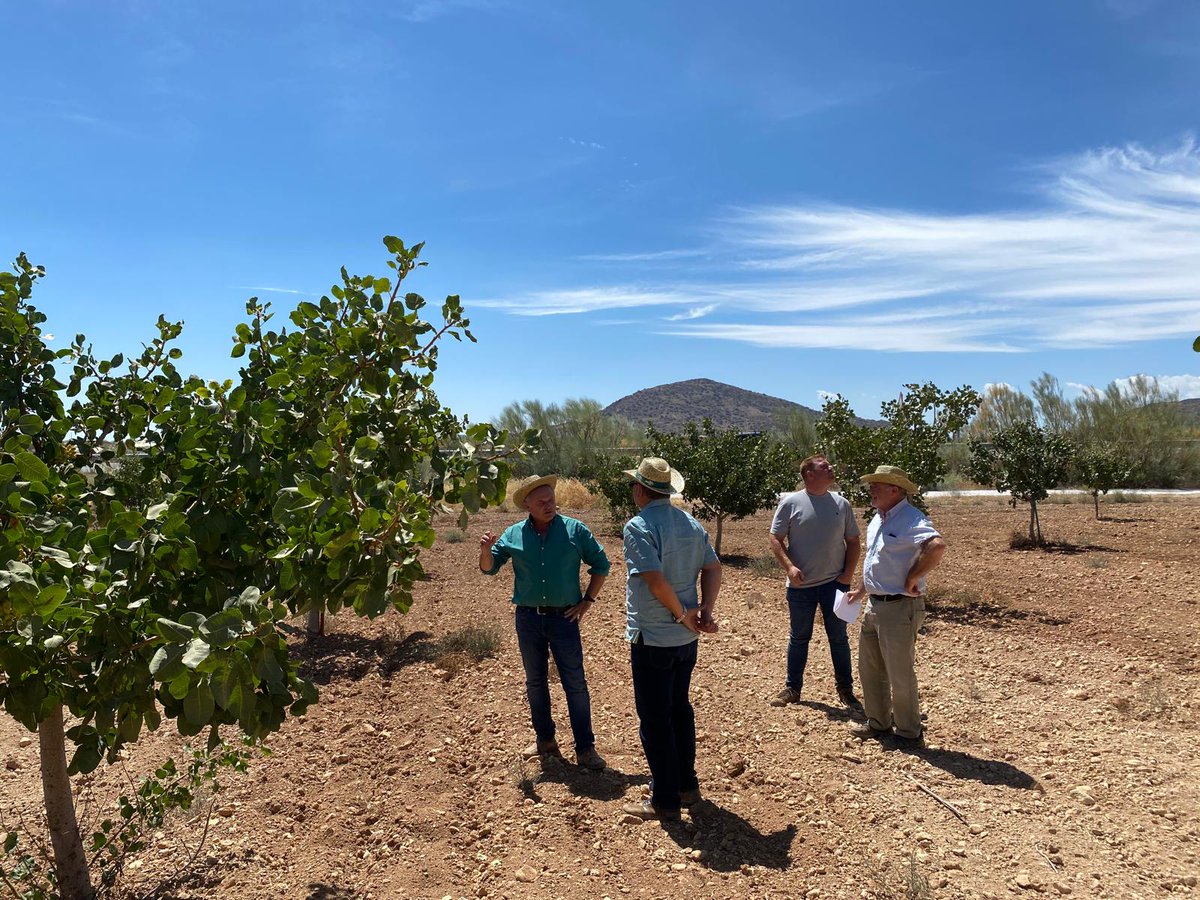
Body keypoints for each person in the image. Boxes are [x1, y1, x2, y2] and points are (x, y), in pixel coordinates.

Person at [479, 475, 610, 770]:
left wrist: (587, 601)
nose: (549, 505)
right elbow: (489, 570)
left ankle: (585, 749)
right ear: (527, 504)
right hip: (527, 619)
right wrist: (486, 551)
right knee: (535, 682)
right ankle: (545, 741)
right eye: (541, 502)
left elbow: (601, 565)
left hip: (564, 619)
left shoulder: (575, 530)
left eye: (551, 500)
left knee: (575, 683)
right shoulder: (513, 534)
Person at [619, 457, 722, 821]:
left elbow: (655, 580)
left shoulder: (638, 526)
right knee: (680, 709)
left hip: (653, 636)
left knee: (655, 718)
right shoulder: (692, 524)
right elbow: (712, 567)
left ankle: (664, 799)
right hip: (686, 638)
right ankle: (687, 785)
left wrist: (679, 613)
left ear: (640, 489)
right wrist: (704, 611)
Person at [843, 465, 946, 745]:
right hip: (875, 605)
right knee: (871, 669)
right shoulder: (878, 519)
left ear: (895, 490)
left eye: (877, 485)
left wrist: (913, 576)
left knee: (899, 673)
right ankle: (878, 723)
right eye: (871, 485)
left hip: (900, 607)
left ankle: (910, 733)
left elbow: (936, 546)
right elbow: (878, 561)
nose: (871, 489)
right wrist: (861, 591)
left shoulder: (910, 518)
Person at [767, 455, 862, 709]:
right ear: (809, 474)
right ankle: (792, 688)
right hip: (801, 587)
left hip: (835, 585)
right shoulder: (791, 503)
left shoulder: (841, 504)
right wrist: (789, 567)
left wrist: (847, 575)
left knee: (839, 638)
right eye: (824, 467)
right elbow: (775, 537)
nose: (831, 468)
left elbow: (853, 541)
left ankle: (845, 690)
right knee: (799, 637)